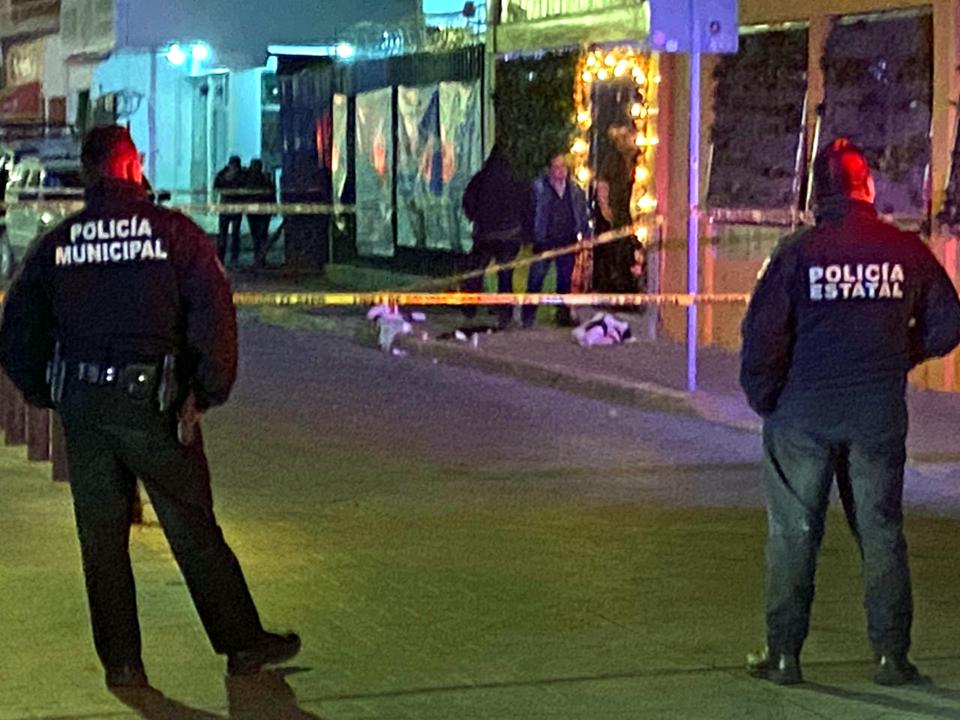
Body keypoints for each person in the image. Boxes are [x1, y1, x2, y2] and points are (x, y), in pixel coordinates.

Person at [0, 125, 300, 689]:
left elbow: (15, 331)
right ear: (131, 166)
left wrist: (46, 392)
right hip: (155, 407)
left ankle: (122, 664)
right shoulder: (175, 235)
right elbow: (215, 318)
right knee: (193, 529)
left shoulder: (59, 244)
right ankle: (241, 644)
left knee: (101, 539)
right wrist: (206, 391)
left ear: (88, 173)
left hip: (84, 408)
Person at [740, 138, 960, 687]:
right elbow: (948, 324)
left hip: (802, 414)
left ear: (818, 195)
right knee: (881, 531)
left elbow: (763, 336)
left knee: (793, 532)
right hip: (875, 412)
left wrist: (766, 398)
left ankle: (784, 655)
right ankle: (892, 656)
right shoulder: (904, 250)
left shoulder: (797, 253)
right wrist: (900, 355)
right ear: (868, 187)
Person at [461, 144, 531, 328]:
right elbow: (528, 206)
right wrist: (525, 233)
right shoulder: (516, 181)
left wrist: (475, 217)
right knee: (505, 276)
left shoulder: (480, 178)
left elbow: (467, 201)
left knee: (476, 271)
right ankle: (504, 314)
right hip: (509, 235)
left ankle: (469, 309)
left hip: (484, 234)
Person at [522, 152, 590, 328]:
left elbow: (582, 214)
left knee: (565, 281)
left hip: (567, 241)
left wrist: (586, 236)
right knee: (536, 279)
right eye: (556, 167)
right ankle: (528, 316)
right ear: (549, 169)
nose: (560, 171)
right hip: (544, 241)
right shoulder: (539, 188)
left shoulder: (575, 190)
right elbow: (529, 213)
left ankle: (562, 315)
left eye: (563, 167)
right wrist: (531, 236)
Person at [594, 122, 642, 295]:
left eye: (625, 137)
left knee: (633, 248)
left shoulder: (639, 158)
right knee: (617, 250)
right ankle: (617, 285)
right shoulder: (612, 159)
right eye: (619, 138)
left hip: (635, 211)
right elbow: (603, 183)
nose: (623, 141)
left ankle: (631, 283)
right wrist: (605, 206)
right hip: (618, 213)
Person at [243, 159, 275, 268]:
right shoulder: (262, 179)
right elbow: (271, 194)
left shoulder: (250, 179)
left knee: (258, 236)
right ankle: (260, 259)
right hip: (259, 211)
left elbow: (270, 194)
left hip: (258, 211)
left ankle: (259, 258)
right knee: (259, 236)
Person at [214, 155, 244, 266]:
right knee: (225, 234)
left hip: (230, 208)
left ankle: (230, 258)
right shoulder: (225, 174)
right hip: (229, 208)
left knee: (231, 234)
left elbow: (216, 186)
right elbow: (216, 186)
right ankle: (224, 258)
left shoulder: (224, 174)